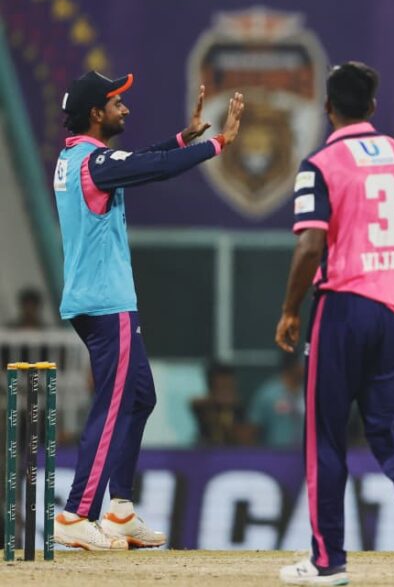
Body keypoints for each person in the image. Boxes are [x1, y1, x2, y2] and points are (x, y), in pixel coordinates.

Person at [274, 62, 394, 585]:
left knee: (326, 437)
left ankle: (328, 561)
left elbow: (311, 245)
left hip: (344, 307)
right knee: (393, 431)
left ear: (327, 108)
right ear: (373, 107)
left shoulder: (320, 164)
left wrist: (290, 310)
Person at [52, 70, 244, 551]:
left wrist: (183, 137)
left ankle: (119, 511)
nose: (125, 108)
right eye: (117, 102)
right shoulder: (94, 163)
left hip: (97, 300)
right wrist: (218, 143)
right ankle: (76, 514)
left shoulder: (75, 158)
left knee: (139, 398)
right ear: (95, 112)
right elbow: (153, 169)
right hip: (106, 303)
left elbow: (137, 163)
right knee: (113, 407)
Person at [249, 352, 305, 448]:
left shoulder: (310, 393)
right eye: (303, 363)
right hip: (274, 454)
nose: (307, 367)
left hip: (305, 454)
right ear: (293, 366)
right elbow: (253, 429)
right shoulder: (268, 393)